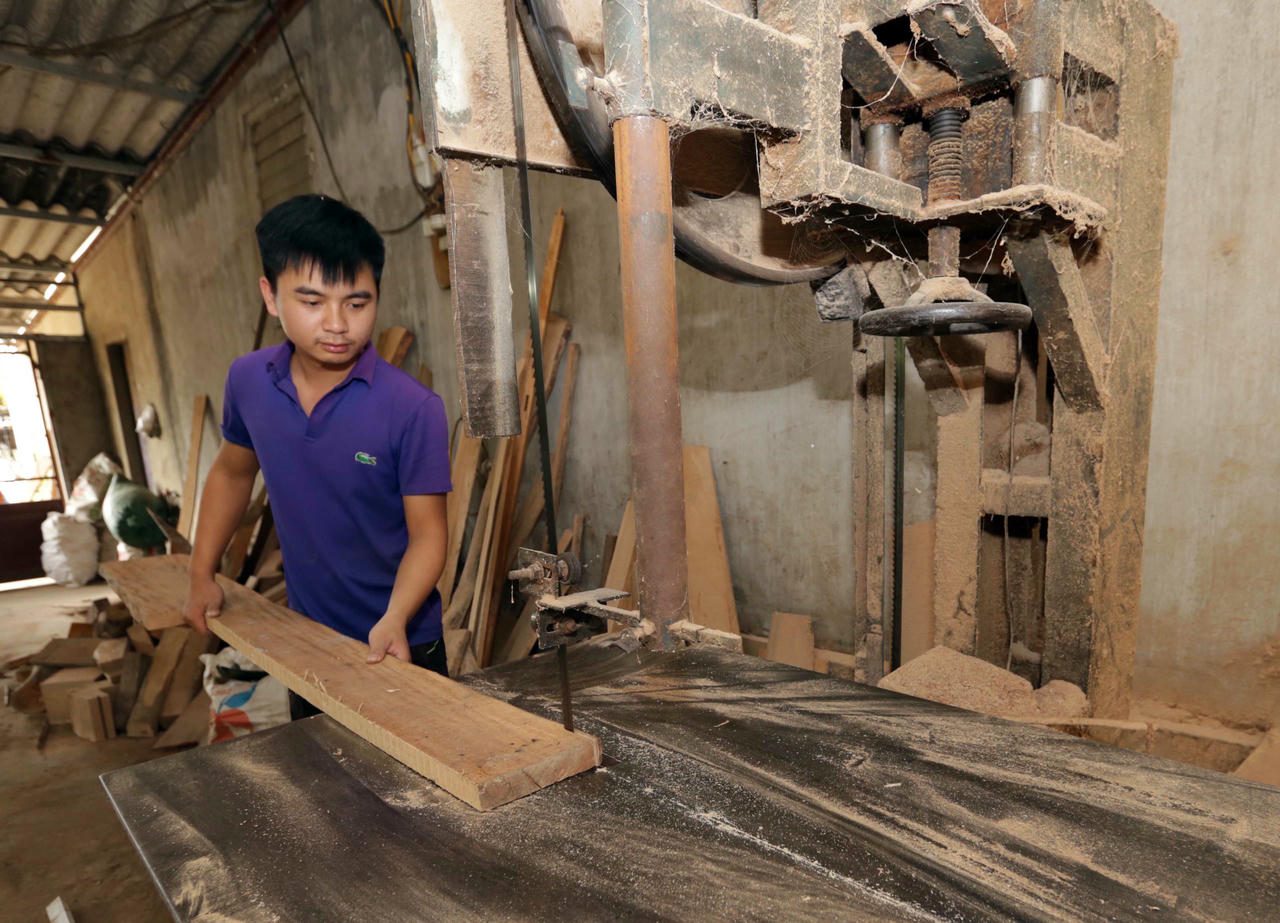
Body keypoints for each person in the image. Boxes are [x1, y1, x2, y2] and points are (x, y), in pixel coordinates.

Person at [183, 195, 451, 719]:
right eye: (312, 302)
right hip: (308, 642)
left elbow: (428, 535)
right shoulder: (248, 381)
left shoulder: (412, 408)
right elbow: (232, 474)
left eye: (357, 303)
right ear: (270, 296)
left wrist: (396, 617)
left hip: (403, 639)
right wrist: (201, 572)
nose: (337, 324)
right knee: (323, 768)